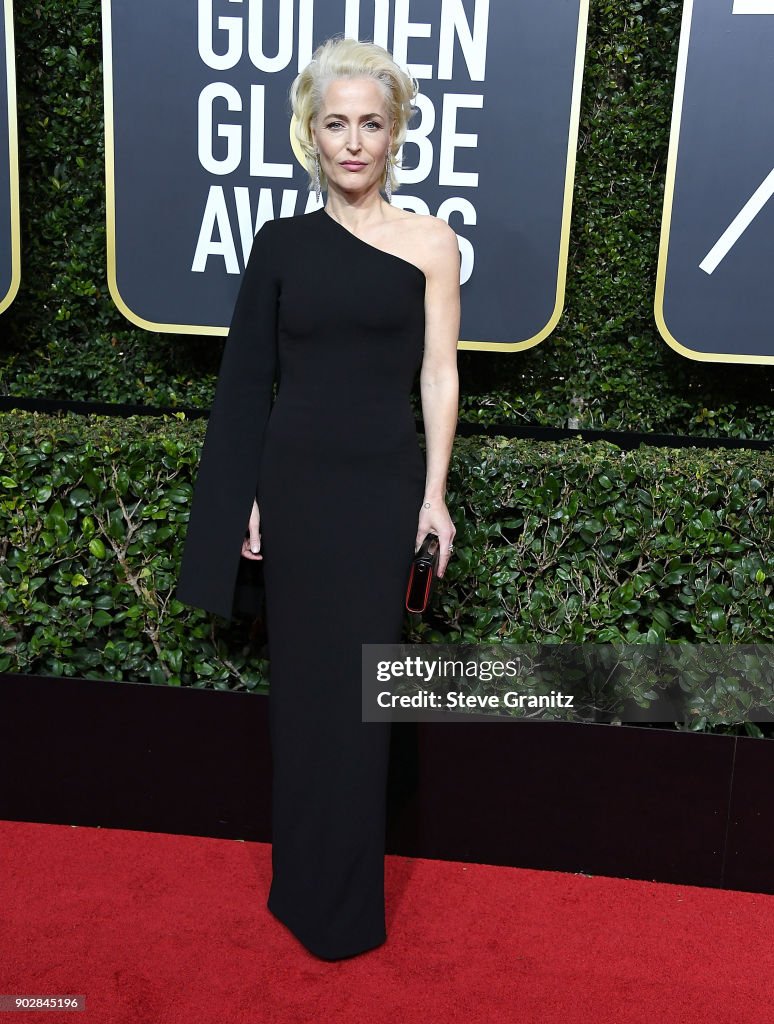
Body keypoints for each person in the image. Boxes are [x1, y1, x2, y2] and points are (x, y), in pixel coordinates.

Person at [175, 36, 460, 960]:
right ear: (310, 134)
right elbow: (247, 378)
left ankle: (347, 904)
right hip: (295, 489)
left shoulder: (430, 243)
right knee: (302, 694)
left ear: (395, 134)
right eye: (334, 123)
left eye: (370, 124)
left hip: (381, 491)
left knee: (364, 695)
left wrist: (435, 497)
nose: (352, 141)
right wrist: (248, 497)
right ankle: (299, 886)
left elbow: (439, 378)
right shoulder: (281, 244)